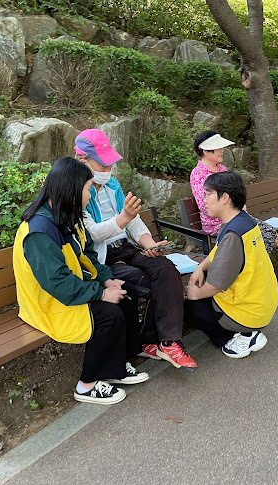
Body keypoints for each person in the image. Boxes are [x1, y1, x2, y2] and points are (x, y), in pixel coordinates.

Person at [12, 157, 148, 406]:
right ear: (72, 191)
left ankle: (114, 368)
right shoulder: (39, 231)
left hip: (69, 288)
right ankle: (86, 385)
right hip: (48, 303)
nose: (90, 195)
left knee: (125, 295)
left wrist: (107, 280)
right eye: (87, 189)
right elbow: (57, 284)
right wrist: (101, 294)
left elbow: (87, 255)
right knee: (108, 314)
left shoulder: (66, 217)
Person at [74, 129, 197, 371]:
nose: (108, 169)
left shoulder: (112, 185)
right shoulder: (76, 190)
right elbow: (93, 233)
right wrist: (123, 218)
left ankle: (169, 342)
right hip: (103, 258)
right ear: (82, 160)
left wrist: (148, 243)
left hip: (127, 247)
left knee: (165, 268)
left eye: (110, 163)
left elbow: (133, 220)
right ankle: (147, 342)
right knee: (146, 283)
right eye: (102, 164)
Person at [185, 171, 278, 358]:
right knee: (203, 292)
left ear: (225, 198)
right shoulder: (244, 221)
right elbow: (217, 250)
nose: (203, 200)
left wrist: (195, 294)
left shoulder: (233, 234)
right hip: (263, 302)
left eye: (208, 194)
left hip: (249, 312)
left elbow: (216, 284)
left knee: (192, 309)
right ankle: (246, 330)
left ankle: (243, 336)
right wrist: (200, 267)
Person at [190, 130, 277, 253]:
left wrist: (241, 209)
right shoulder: (198, 174)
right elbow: (205, 206)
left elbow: (236, 192)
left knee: (270, 233)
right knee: (259, 237)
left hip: (237, 216)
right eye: (218, 147)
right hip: (218, 224)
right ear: (206, 151)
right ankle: (249, 263)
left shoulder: (222, 169)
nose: (222, 150)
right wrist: (235, 211)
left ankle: (254, 263)